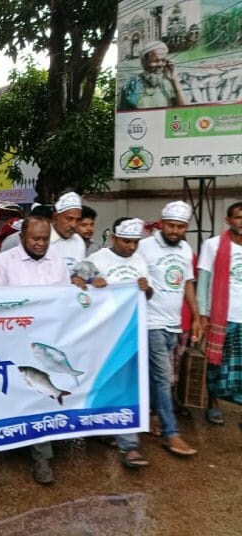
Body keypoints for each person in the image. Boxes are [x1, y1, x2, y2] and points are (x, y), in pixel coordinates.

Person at [0, 216, 76, 484]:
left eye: (45, 239)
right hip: (14, 339)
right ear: (23, 236)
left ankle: (41, 457)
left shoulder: (58, 261)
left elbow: (66, 298)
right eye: (35, 238)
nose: (40, 244)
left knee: (41, 393)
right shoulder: (5, 262)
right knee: (20, 394)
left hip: (47, 340)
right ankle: (21, 443)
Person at [87, 217, 152, 468]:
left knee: (127, 387)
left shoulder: (139, 260)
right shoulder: (98, 259)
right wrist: (92, 282)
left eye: (135, 242)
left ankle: (129, 445)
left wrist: (145, 289)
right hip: (101, 335)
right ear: (113, 238)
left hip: (130, 334)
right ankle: (99, 429)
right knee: (101, 384)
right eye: (126, 241)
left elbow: (148, 295)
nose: (131, 247)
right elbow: (75, 283)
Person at [136, 200, 199, 457]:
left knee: (156, 377)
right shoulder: (144, 247)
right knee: (164, 378)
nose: (174, 231)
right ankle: (172, 434)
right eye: (171, 226)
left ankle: (150, 416)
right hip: (151, 322)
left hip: (174, 324)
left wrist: (195, 315)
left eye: (180, 227)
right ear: (161, 223)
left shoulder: (185, 249)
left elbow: (187, 285)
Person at [197, 201, 242, 426]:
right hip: (221, 317)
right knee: (216, 364)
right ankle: (213, 404)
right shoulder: (213, 245)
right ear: (228, 220)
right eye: (239, 217)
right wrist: (202, 315)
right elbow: (203, 282)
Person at [119, 40, 187, 110]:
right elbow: (124, 114)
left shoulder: (169, 83)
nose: (160, 65)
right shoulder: (132, 85)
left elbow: (186, 111)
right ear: (143, 62)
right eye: (155, 61)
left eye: (163, 60)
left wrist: (174, 79)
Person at [48, 192, 86, 273]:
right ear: (55, 217)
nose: (73, 225)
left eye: (78, 220)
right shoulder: (43, 239)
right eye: (69, 219)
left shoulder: (78, 241)